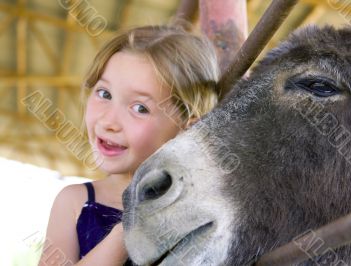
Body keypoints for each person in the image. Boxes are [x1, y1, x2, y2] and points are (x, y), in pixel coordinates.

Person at [38, 24, 219, 265]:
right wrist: (128, 229)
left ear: (187, 128)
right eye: (104, 94)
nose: (109, 121)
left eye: (140, 108)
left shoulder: (202, 215)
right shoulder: (74, 202)